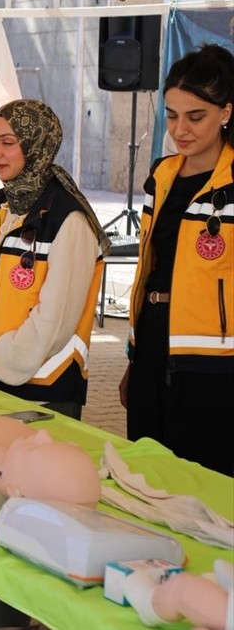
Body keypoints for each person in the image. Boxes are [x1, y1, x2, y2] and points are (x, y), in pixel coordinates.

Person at [0, 99, 112, 420]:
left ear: (38, 145)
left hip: (44, 390)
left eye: (8, 142)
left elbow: (55, 320)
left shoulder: (67, 218)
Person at [120, 44, 233, 475]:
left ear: (226, 112)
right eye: (171, 115)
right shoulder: (162, 176)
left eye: (195, 116)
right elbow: (151, 270)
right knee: (148, 476)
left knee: (206, 484)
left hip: (215, 367)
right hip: (152, 345)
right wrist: (135, 355)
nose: (180, 129)